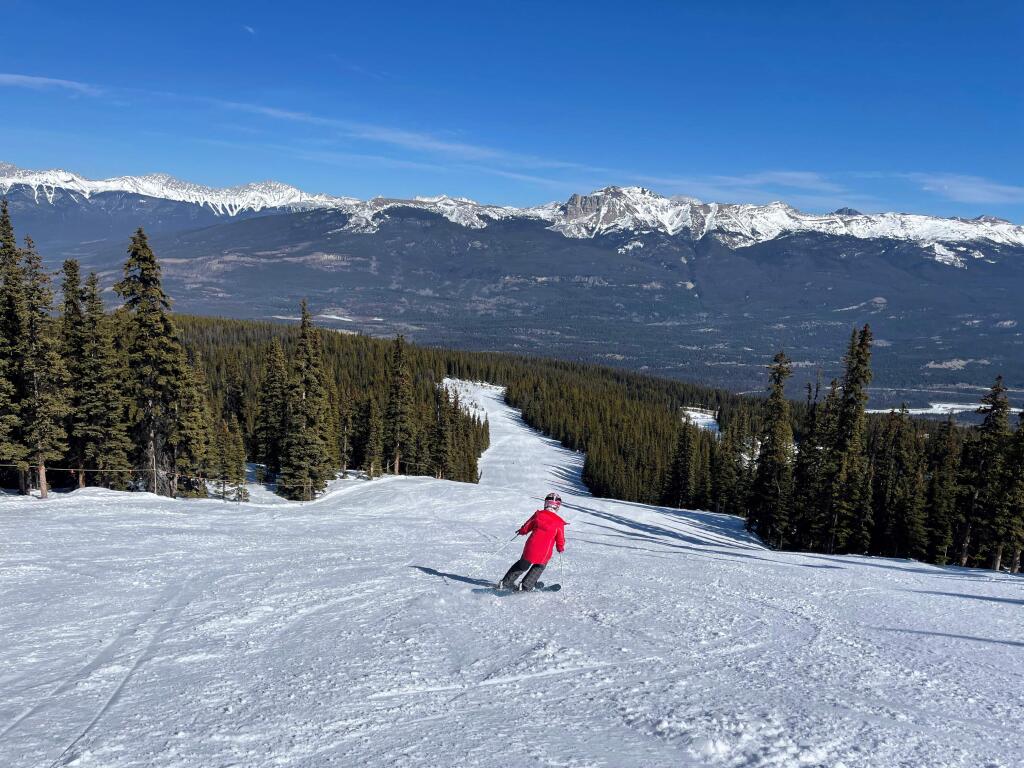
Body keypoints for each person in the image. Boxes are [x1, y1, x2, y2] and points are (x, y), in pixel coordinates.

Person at [499, 492, 567, 591]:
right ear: (557, 507)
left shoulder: (538, 515)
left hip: (530, 548)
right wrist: (560, 547)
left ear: (545, 503)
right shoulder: (559, 522)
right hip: (545, 552)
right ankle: (526, 585)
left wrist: (522, 531)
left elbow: (527, 526)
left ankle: (506, 582)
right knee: (539, 566)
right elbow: (560, 538)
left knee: (522, 565)